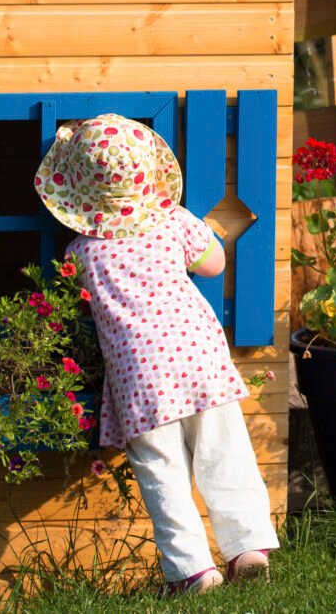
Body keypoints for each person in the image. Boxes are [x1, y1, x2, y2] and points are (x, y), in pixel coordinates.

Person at [34, 113, 279, 595]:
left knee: (161, 472)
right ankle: (247, 547)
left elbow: (66, 298)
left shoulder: (80, 252)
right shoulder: (175, 222)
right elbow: (213, 265)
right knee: (224, 452)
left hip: (138, 374)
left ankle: (193, 572)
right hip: (197, 355)